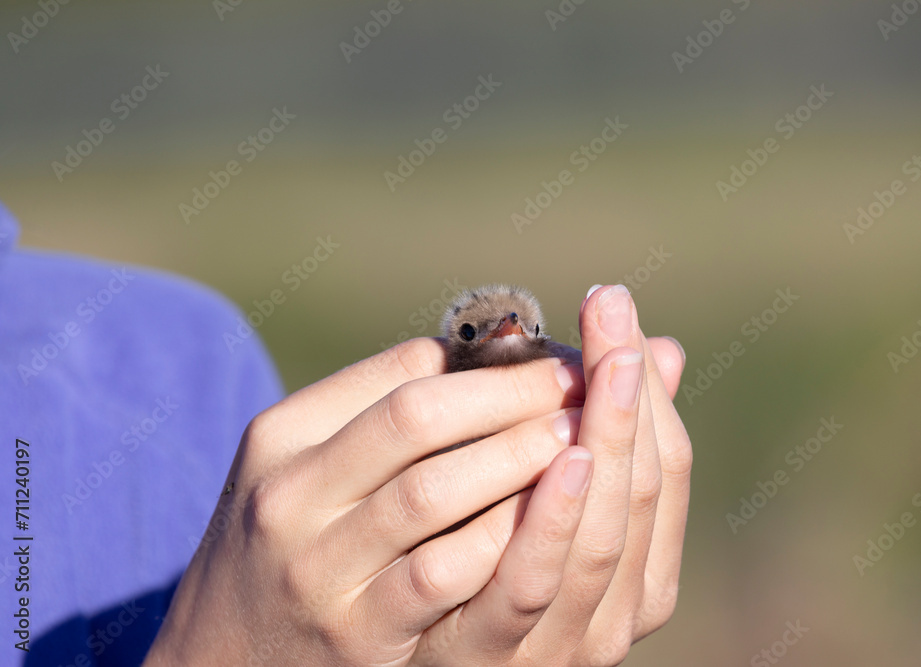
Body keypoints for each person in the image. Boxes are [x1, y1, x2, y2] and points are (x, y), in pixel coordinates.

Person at [1, 202, 692, 666]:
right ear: (457, 345)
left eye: (526, 329)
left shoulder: (190, 360)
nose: (511, 335)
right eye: (483, 331)